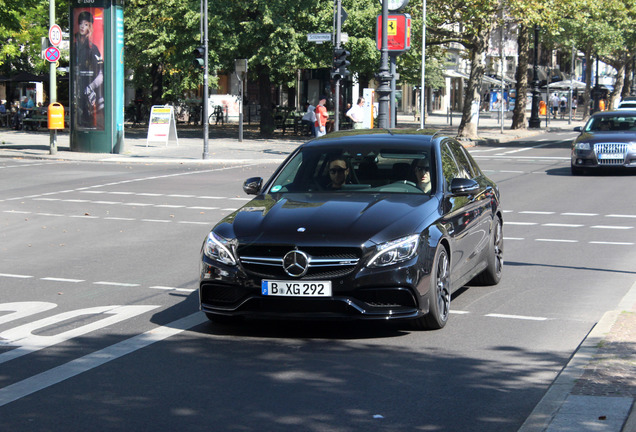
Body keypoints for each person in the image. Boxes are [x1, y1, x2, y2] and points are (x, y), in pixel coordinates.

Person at [75, 10, 104, 129]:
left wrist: (91, 87)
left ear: (90, 27)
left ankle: (88, 121)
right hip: (80, 88)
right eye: (81, 23)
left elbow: (101, 72)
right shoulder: (75, 46)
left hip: (90, 89)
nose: (82, 26)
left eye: (86, 24)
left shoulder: (93, 48)